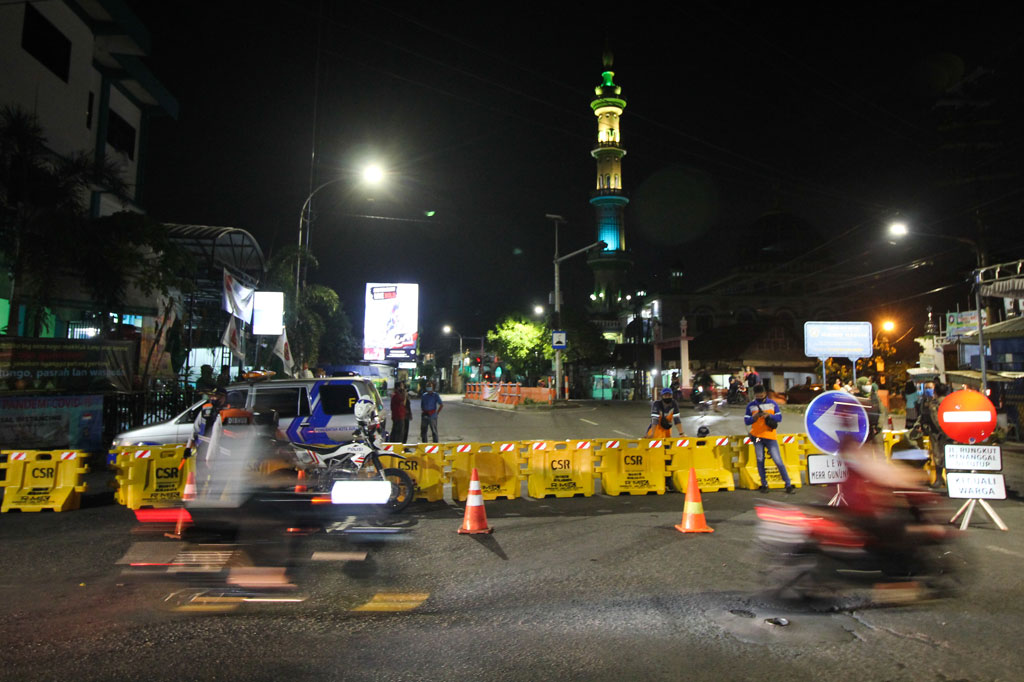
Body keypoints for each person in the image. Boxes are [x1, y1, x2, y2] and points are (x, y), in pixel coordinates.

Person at [744, 384, 795, 494]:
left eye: (761, 395)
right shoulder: (751, 406)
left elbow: (779, 417)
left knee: (778, 460)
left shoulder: (772, 404)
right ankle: (764, 484)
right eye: (757, 396)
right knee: (760, 459)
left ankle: (788, 484)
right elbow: (746, 421)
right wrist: (755, 417)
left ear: (765, 393)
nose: (759, 397)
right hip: (757, 438)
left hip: (770, 437)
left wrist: (769, 415)